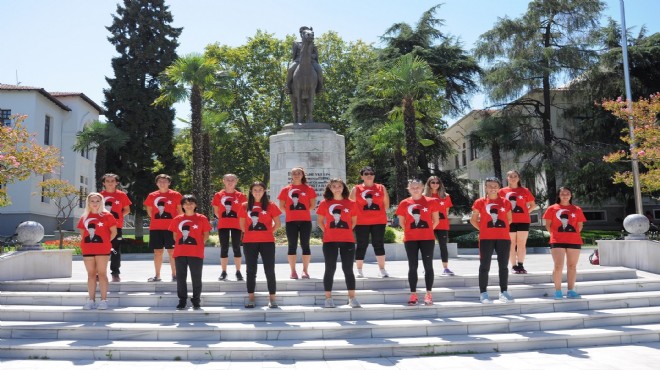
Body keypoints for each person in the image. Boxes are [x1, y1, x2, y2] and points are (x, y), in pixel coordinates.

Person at [316, 178, 361, 308]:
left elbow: (353, 222)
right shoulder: (325, 203)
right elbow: (320, 221)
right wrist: (328, 231)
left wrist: (344, 232)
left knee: (348, 269)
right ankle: (328, 299)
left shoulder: (351, 203)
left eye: (339, 186)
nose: (337, 188)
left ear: (343, 188)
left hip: (347, 241)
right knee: (330, 269)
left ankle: (352, 298)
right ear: (330, 188)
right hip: (330, 241)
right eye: (334, 186)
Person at [470, 177, 514, 304]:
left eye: (495, 186)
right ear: (486, 187)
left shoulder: (505, 202)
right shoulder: (480, 202)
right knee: (484, 266)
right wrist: (483, 229)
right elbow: (473, 220)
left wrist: (501, 229)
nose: (493, 188)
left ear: (499, 187)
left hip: (503, 238)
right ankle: (483, 293)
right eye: (490, 186)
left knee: (503, 266)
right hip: (486, 238)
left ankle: (504, 292)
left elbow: (509, 219)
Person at [396, 179, 440, 306]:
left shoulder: (431, 201)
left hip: (427, 239)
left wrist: (427, 231)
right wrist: (410, 232)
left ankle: (428, 294)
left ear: (422, 188)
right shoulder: (404, 203)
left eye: (418, 187)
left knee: (428, 265)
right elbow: (401, 222)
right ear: (408, 189)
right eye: (412, 187)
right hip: (410, 239)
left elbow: (435, 220)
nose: (415, 189)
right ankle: (413, 294)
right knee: (413, 266)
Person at [239, 181, 282, 309]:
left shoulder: (271, 205)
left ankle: (272, 298)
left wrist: (268, 232)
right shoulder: (244, 206)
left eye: (260, 190)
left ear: (264, 191)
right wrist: (250, 234)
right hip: (249, 242)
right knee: (250, 270)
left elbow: (278, 224)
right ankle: (251, 298)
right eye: (255, 190)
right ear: (251, 192)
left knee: (269, 270)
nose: (257, 192)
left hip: (267, 242)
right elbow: (242, 225)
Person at [543, 187, 587, 300]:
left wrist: (572, 235)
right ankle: (558, 291)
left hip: (574, 241)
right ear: (559, 195)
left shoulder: (576, 209)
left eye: (567, 193)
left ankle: (571, 291)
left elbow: (580, 225)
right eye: (563, 194)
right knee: (558, 266)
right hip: (557, 241)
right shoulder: (552, 208)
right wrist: (556, 235)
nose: (565, 196)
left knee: (572, 266)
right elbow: (548, 225)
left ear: (571, 195)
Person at [169, 195, 211, 310]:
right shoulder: (177, 219)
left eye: (191, 203)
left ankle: (196, 300)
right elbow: (175, 235)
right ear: (182, 205)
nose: (189, 205)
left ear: (196, 205)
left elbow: (206, 235)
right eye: (186, 203)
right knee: (181, 278)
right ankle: (182, 300)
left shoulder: (202, 218)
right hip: (180, 253)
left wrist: (197, 245)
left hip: (196, 253)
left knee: (196, 277)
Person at [78, 192, 117, 310]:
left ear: (101, 202)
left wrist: (105, 242)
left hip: (102, 249)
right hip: (87, 249)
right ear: (88, 203)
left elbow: (114, 232)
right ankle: (91, 300)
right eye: (92, 201)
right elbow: (83, 234)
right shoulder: (84, 217)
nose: (95, 203)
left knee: (102, 274)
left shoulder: (107, 215)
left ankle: (104, 300)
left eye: (97, 201)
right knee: (91, 275)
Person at [349, 166, 390, 278]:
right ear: (362, 176)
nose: (369, 176)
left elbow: (386, 204)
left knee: (379, 244)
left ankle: (382, 269)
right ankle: (359, 270)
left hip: (379, 221)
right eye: (366, 174)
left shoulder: (381, 187)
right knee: (362, 245)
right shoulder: (356, 189)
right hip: (361, 222)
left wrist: (376, 214)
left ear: (374, 175)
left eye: (371, 173)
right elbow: (350, 205)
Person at [277, 167, 317, 279]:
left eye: (299, 173)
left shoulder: (308, 189)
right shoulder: (285, 189)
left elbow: (312, 205)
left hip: (305, 221)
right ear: (291, 175)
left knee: (305, 245)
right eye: (294, 173)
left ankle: (305, 271)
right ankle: (293, 271)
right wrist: (292, 213)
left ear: (303, 175)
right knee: (292, 246)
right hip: (291, 221)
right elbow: (281, 206)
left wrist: (302, 212)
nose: (296, 175)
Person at [144, 174, 183, 282]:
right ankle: (157, 275)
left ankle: (175, 275)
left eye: (165, 181)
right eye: (160, 181)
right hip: (155, 228)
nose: (162, 183)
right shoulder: (152, 195)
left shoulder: (176, 195)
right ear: (156, 183)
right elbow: (150, 211)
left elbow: (180, 212)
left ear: (169, 183)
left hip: (172, 228)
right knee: (157, 252)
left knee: (172, 251)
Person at [499, 170, 536, 274]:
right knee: (511, 244)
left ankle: (521, 265)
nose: (513, 178)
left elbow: (533, 205)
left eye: (515, 176)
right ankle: (514, 266)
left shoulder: (525, 190)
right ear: (507, 178)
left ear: (518, 178)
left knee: (521, 244)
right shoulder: (502, 191)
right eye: (510, 176)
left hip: (523, 221)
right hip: (509, 221)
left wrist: (525, 212)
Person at [212, 174, 247, 281]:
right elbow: (216, 212)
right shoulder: (218, 195)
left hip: (237, 225)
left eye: (232, 180)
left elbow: (244, 211)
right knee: (224, 248)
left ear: (236, 181)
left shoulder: (241, 196)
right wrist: (225, 219)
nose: (230, 182)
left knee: (237, 247)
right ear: (223, 181)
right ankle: (223, 271)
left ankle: (238, 271)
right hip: (223, 225)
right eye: (228, 180)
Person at [99, 173, 132, 282]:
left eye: (112, 181)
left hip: (116, 227)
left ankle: (115, 273)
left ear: (117, 183)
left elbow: (127, 210)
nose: (110, 183)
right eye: (107, 181)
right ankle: (100, 273)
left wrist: (117, 218)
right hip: (101, 228)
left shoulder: (121, 195)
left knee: (115, 250)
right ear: (103, 183)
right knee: (101, 251)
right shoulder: (99, 196)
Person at [424, 176, 455, 276]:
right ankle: (427, 268)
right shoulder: (423, 196)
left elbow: (446, 212)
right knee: (428, 247)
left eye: (437, 182)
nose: (435, 184)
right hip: (429, 225)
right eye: (432, 182)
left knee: (443, 246)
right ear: (429, 184)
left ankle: (445, 268)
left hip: (442, 224)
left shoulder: (446, 196)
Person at [285, 26, 324, 95]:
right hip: (298, 60)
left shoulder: (313, 43)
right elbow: (294, 54)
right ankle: (287, 86)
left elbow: (316, 54)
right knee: (291, 69)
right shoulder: (296, 43)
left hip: (312, 61)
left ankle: (320, 87)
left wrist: (313, 56)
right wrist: (295, 60)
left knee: (319, 70)